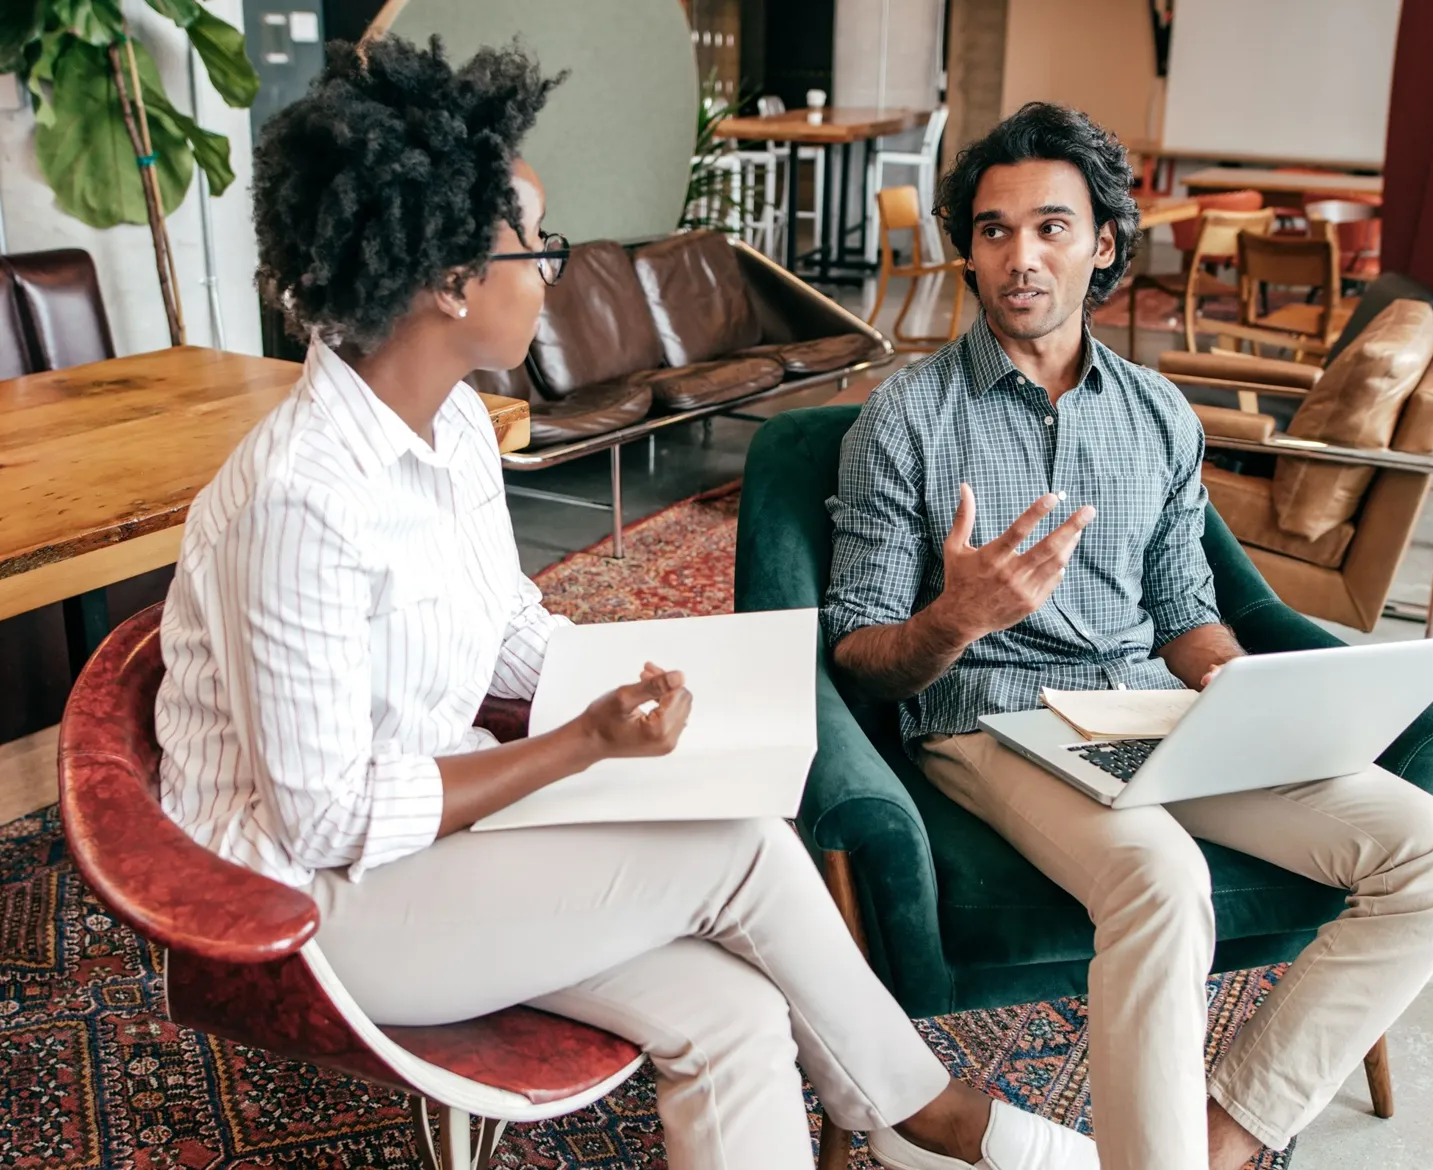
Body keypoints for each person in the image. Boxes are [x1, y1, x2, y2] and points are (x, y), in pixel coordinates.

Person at [152, 36, 1101, 1170]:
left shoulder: (452, 422)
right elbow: (324, 821)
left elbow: (504, 625)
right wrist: (577, 750)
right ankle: (925, 1116)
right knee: (739, 847)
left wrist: (629, 684)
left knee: (736, 1016)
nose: (554, 268)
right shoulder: (304, 497)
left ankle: (898, 1118)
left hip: (437, 852)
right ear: (450, 280)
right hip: (305, 909)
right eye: (536, 244)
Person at [822, 102, 1433, 1170]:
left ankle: (1224, 1136)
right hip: (988, 721)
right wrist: (961, 616)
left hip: (1151, 710)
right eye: (994, 230)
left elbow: (1184, 609)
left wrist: (1245, 694)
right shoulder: (905, 419)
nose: (1021, 256)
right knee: (1163, 878)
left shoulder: (1159, 416)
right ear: (970, 250)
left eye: (1051, 226)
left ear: (1104, 245)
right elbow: (858, 647)